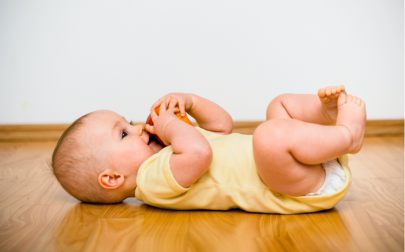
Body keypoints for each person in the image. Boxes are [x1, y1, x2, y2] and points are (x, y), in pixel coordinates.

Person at [51, 85, 366, 214]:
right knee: (268, 136)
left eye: (129, 122)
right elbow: (200, 154)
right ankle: (347, 135)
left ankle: (326, 119)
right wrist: (172, 127)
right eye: (123, 133)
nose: (138, 128)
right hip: (292, 189)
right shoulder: (151, 181)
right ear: (113, 178)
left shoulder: (172, 147)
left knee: (278, 105)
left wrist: (190, 102)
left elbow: (223, 126)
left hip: (294, 164)